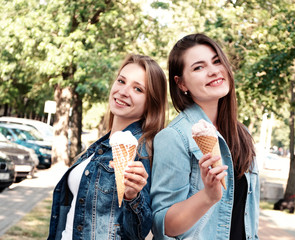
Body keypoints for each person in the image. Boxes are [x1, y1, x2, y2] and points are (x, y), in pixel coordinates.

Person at [151, 33, 260, 239]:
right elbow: (163, 225)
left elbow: (248, 218)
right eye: (198, 67)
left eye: (216, 61)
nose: (213, 71)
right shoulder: (174, 137)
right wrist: (207, 197)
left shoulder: (242, 135)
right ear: (181, 83)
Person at [48, 54, 167, 240]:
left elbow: (138, 233)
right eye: (121, 81)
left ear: (151, 102)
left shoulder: (143, 152)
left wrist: (133, 197)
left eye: (137, 89)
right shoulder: (100, 145)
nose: (123, 91)